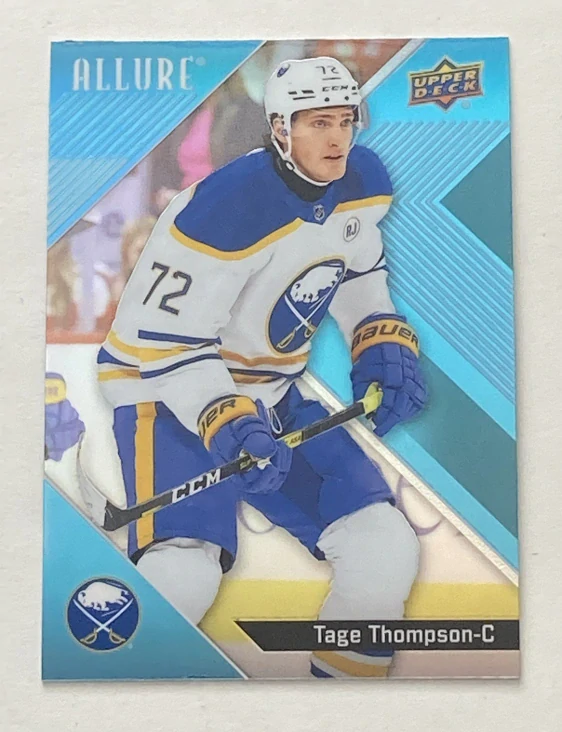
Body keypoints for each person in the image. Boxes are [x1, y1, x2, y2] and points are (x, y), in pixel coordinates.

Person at [95, 57, 426, 679]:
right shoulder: (221, 209)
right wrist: (226, 419)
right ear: (280, 128)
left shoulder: (362, 181)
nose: (338, 138)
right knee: (185, 570)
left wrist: (377, 337)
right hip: (162, 391)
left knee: (382, 545)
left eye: (346, 120)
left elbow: (358, 268)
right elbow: (165, 345)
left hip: (268, 392)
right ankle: (111, 698)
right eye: (319, 123)